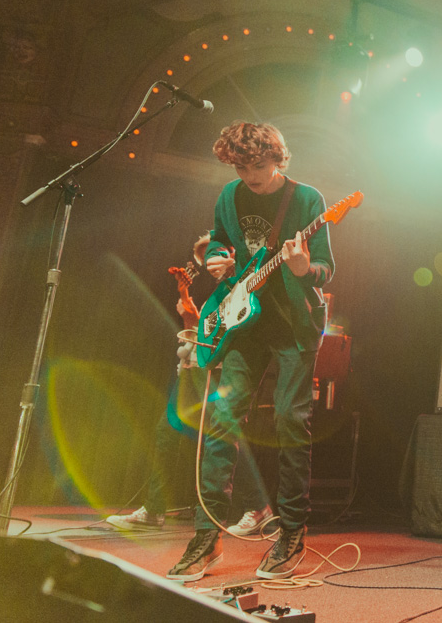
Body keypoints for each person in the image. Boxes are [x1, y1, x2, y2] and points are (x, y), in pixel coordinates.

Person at [167, 121, 334, 582]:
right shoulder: (230, 195)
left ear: (278, 157)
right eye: (241, 166)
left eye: (257, 166)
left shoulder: (307, 200)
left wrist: (302, 266)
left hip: (294, 328)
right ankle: (207, 536)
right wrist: (216, 257)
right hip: (243, 323)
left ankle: (292, 533)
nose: (250, 176)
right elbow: (219, 239)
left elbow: (325, 268)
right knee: (221, 420)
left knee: (288, 419)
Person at [106, 236, 271, 533]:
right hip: (195, 368)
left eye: (217, 253)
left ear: (231, 252)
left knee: (224, 435)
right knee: (167, 433)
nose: (211, 260)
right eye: (206, 255)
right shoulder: (214, 290)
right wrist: (184, 295)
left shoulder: (242, 279)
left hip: (222, 370)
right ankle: (154, 510)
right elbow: (196, 330)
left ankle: (257, 506)